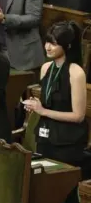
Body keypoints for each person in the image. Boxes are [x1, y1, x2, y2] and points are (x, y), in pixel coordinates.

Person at [24, 21, 88, 167]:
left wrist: (43, 111)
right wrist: (35, 105)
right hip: (44, 135)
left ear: (67, 46)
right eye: (47, 42)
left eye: (53, 43)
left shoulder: (76, 73)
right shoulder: (46, 67)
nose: (47, 47)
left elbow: (78, 116)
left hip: (67, 142)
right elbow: (48, 101)